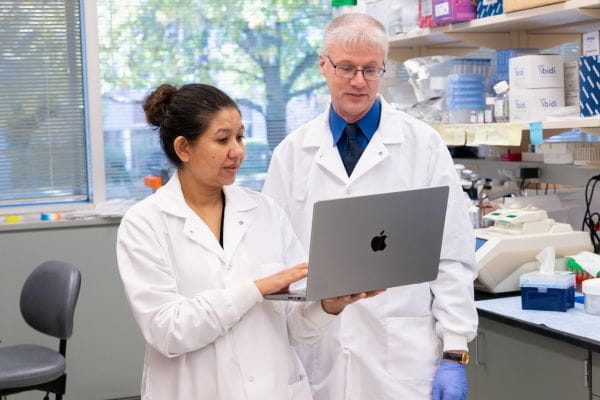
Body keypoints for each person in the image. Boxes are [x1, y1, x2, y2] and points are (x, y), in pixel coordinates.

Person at [116, 83, 381, 399]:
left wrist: (328, 305)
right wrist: (254, 290)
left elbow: (296, 329)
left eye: (240, 137)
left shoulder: (265, 211)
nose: (238, 150)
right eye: (223, 139)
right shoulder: (146, 223)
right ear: (184, 148)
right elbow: (169, 332)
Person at [262, 13, 478, 400]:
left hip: (402, 355)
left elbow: (453, 254)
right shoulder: (291, 154)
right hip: (317, 351)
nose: (359, 81)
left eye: (371, 69)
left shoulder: (423, 146)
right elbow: (275, 263)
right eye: (346, 67)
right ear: (323, 65)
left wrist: (455, 350)